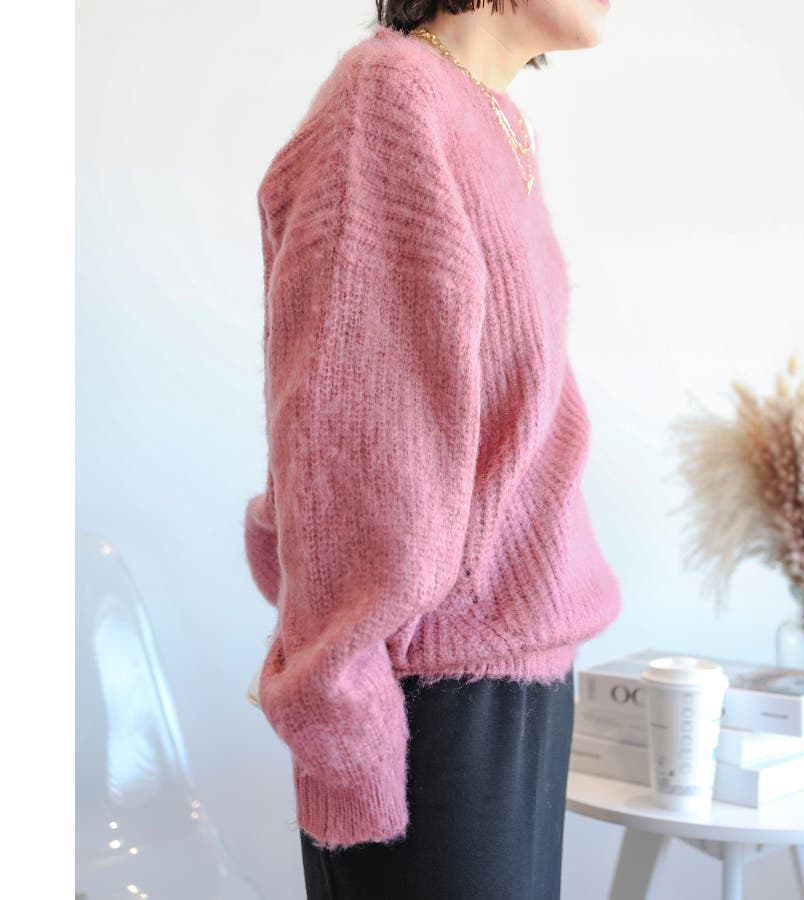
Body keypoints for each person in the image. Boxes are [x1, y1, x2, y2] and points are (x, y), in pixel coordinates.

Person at [242, 1, 618, 897]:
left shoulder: (494, 117)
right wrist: (340, 710)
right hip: (431, 699)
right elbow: (343, 437)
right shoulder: (389, 95)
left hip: (520, 672)